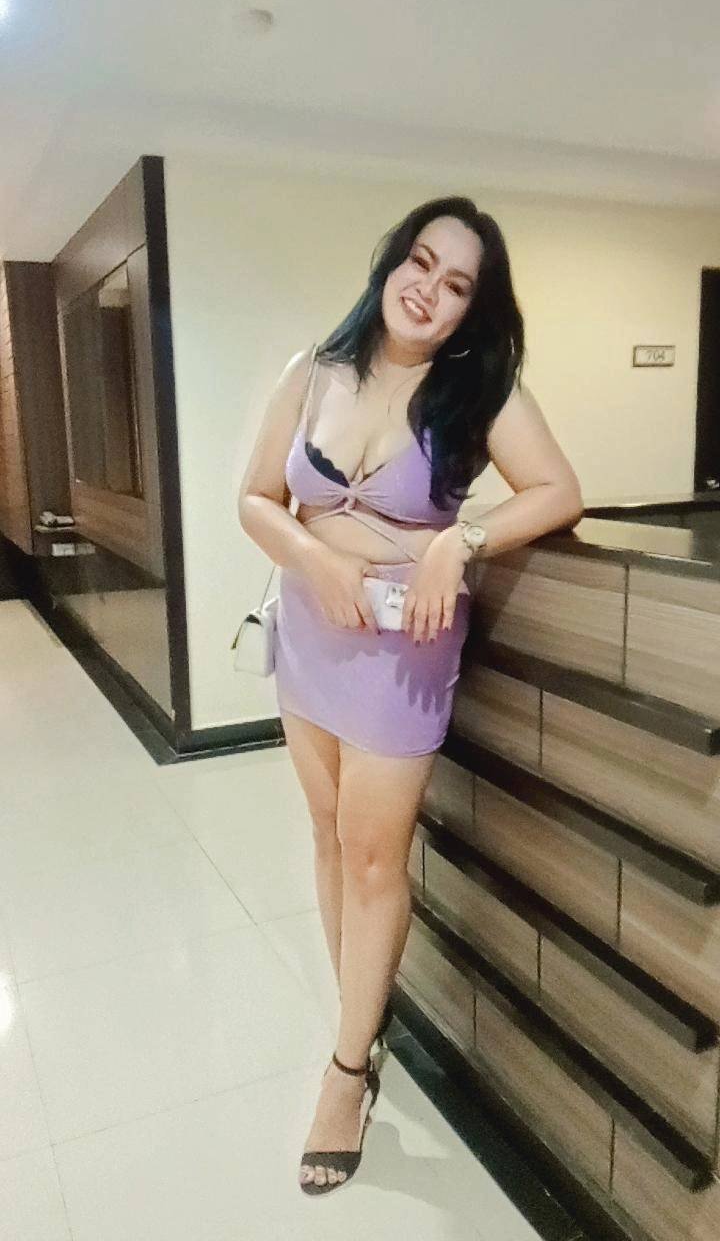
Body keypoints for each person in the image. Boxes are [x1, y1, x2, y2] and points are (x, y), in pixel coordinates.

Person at [237, 195, 584, 1195]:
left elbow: (557, 490)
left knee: (373, 855)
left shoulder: (479, 390)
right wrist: (313, 556)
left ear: (473, 306)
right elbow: (255, 498)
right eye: (421, 262)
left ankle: (347, 1071)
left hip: (403, 654)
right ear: (393, 261)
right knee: (326, 833)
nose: (429, 289)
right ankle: (361, 1014)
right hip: (310, 635)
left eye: (457, 282)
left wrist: (457, 540)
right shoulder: (314, 370)